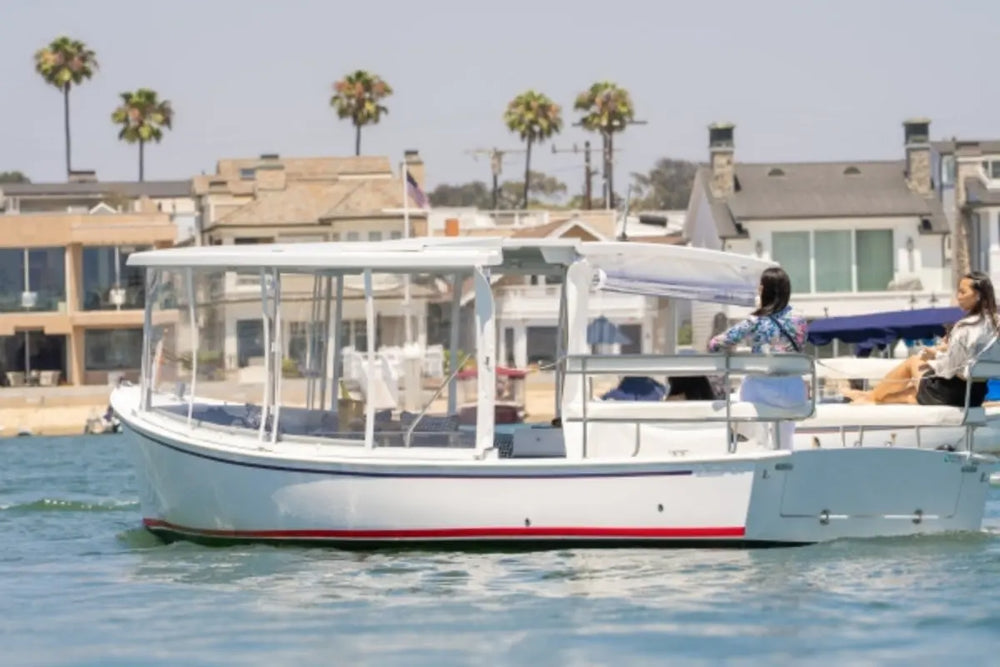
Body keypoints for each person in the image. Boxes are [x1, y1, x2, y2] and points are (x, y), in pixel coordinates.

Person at [844, 272, 999, 406]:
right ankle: (872, 398)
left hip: (953, 393)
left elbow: (949, 369)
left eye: (962, 292)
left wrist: (934, 357)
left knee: (913, 362)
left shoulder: (965, 327)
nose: (958, 297)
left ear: (978, 296)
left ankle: (870, 396)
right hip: (974, 396)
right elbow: (968, 359)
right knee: (913, 391)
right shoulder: (994, 324)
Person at [707, 266, 808, 449]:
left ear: (763, 291)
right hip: (794, 392)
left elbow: (716, 344)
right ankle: (785, 456)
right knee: (785, 441)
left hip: (761, 391)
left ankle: (757, 448)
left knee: (737, 405)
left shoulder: (755, 321)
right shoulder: (799, 320)